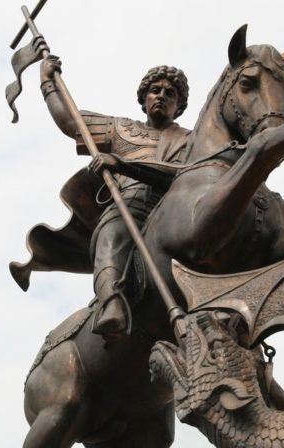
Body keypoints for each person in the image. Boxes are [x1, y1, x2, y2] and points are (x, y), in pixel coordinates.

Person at [39, 56, 191, 336]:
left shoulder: (191, 140)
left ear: (179, 106)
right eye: (155, 90)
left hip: (175, 209)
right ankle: (111, 300)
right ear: (144, 98)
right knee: (112, 234)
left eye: (170, 94)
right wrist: (48, 82)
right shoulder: (120, 130)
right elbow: (71, 122)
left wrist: (122, 165)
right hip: (129, 207)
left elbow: (189, 174)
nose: (161, 96)